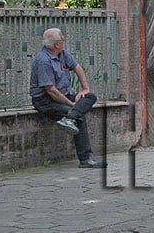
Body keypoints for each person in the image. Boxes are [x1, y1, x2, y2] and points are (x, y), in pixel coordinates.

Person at [29, 28, 106, 168]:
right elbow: (51, 91)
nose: (64, 40)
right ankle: (86, 159)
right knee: (79, 117)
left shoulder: (62, 54)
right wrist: (72, 104)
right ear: (57, 44)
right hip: (44, 100)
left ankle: (69, 118)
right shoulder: (43, 61)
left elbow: (77, 68)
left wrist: (85, 88)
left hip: (62, 95)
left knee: (90, 97)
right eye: (62, 39)